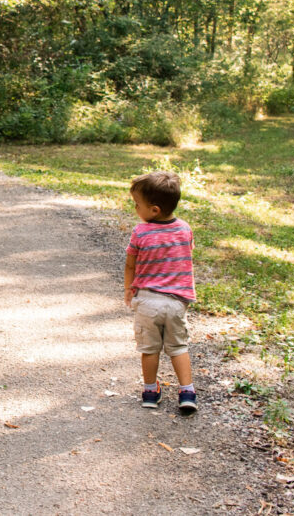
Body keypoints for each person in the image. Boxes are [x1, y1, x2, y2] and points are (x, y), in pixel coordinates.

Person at [124, 171, 198, 415]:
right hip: (177, 302)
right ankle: (187, 391)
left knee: (149, 349)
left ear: (154, 210)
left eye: (138, 204)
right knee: (178, 347)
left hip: (147, 301)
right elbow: (186, 254)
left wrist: (128, 288)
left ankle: (149, 391)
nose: (136, 208)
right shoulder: (185, 229)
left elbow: (130, 264)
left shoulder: (140, 232)